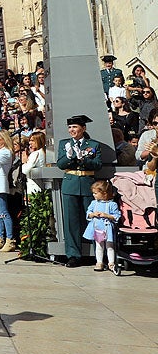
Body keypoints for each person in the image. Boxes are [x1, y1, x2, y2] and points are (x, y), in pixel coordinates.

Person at [54, 115, 103, 268]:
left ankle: (99, 255)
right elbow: (61, 164)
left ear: (83, 128)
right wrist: (69, 157)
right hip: (70, 184)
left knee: (94, 220)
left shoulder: (93, 144)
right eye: (70, 127)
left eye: (75, 127)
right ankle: (73, 255)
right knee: (71, 222)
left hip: (88, 184)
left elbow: (97, 164)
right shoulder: (64, 144)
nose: (72, 130)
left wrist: (84, 160)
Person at [83, 180, 119, 272]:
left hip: (107, 228)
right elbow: (88, 213)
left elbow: (117, 216)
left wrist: (107, 215)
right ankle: (99, 262)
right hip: (98, 228)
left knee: (110, 246)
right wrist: (93, 214)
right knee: (99, 245)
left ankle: (111, 263)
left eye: (96, 193)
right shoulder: (94, 203)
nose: (94, 195)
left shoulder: (112, 204)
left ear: (104, 193)